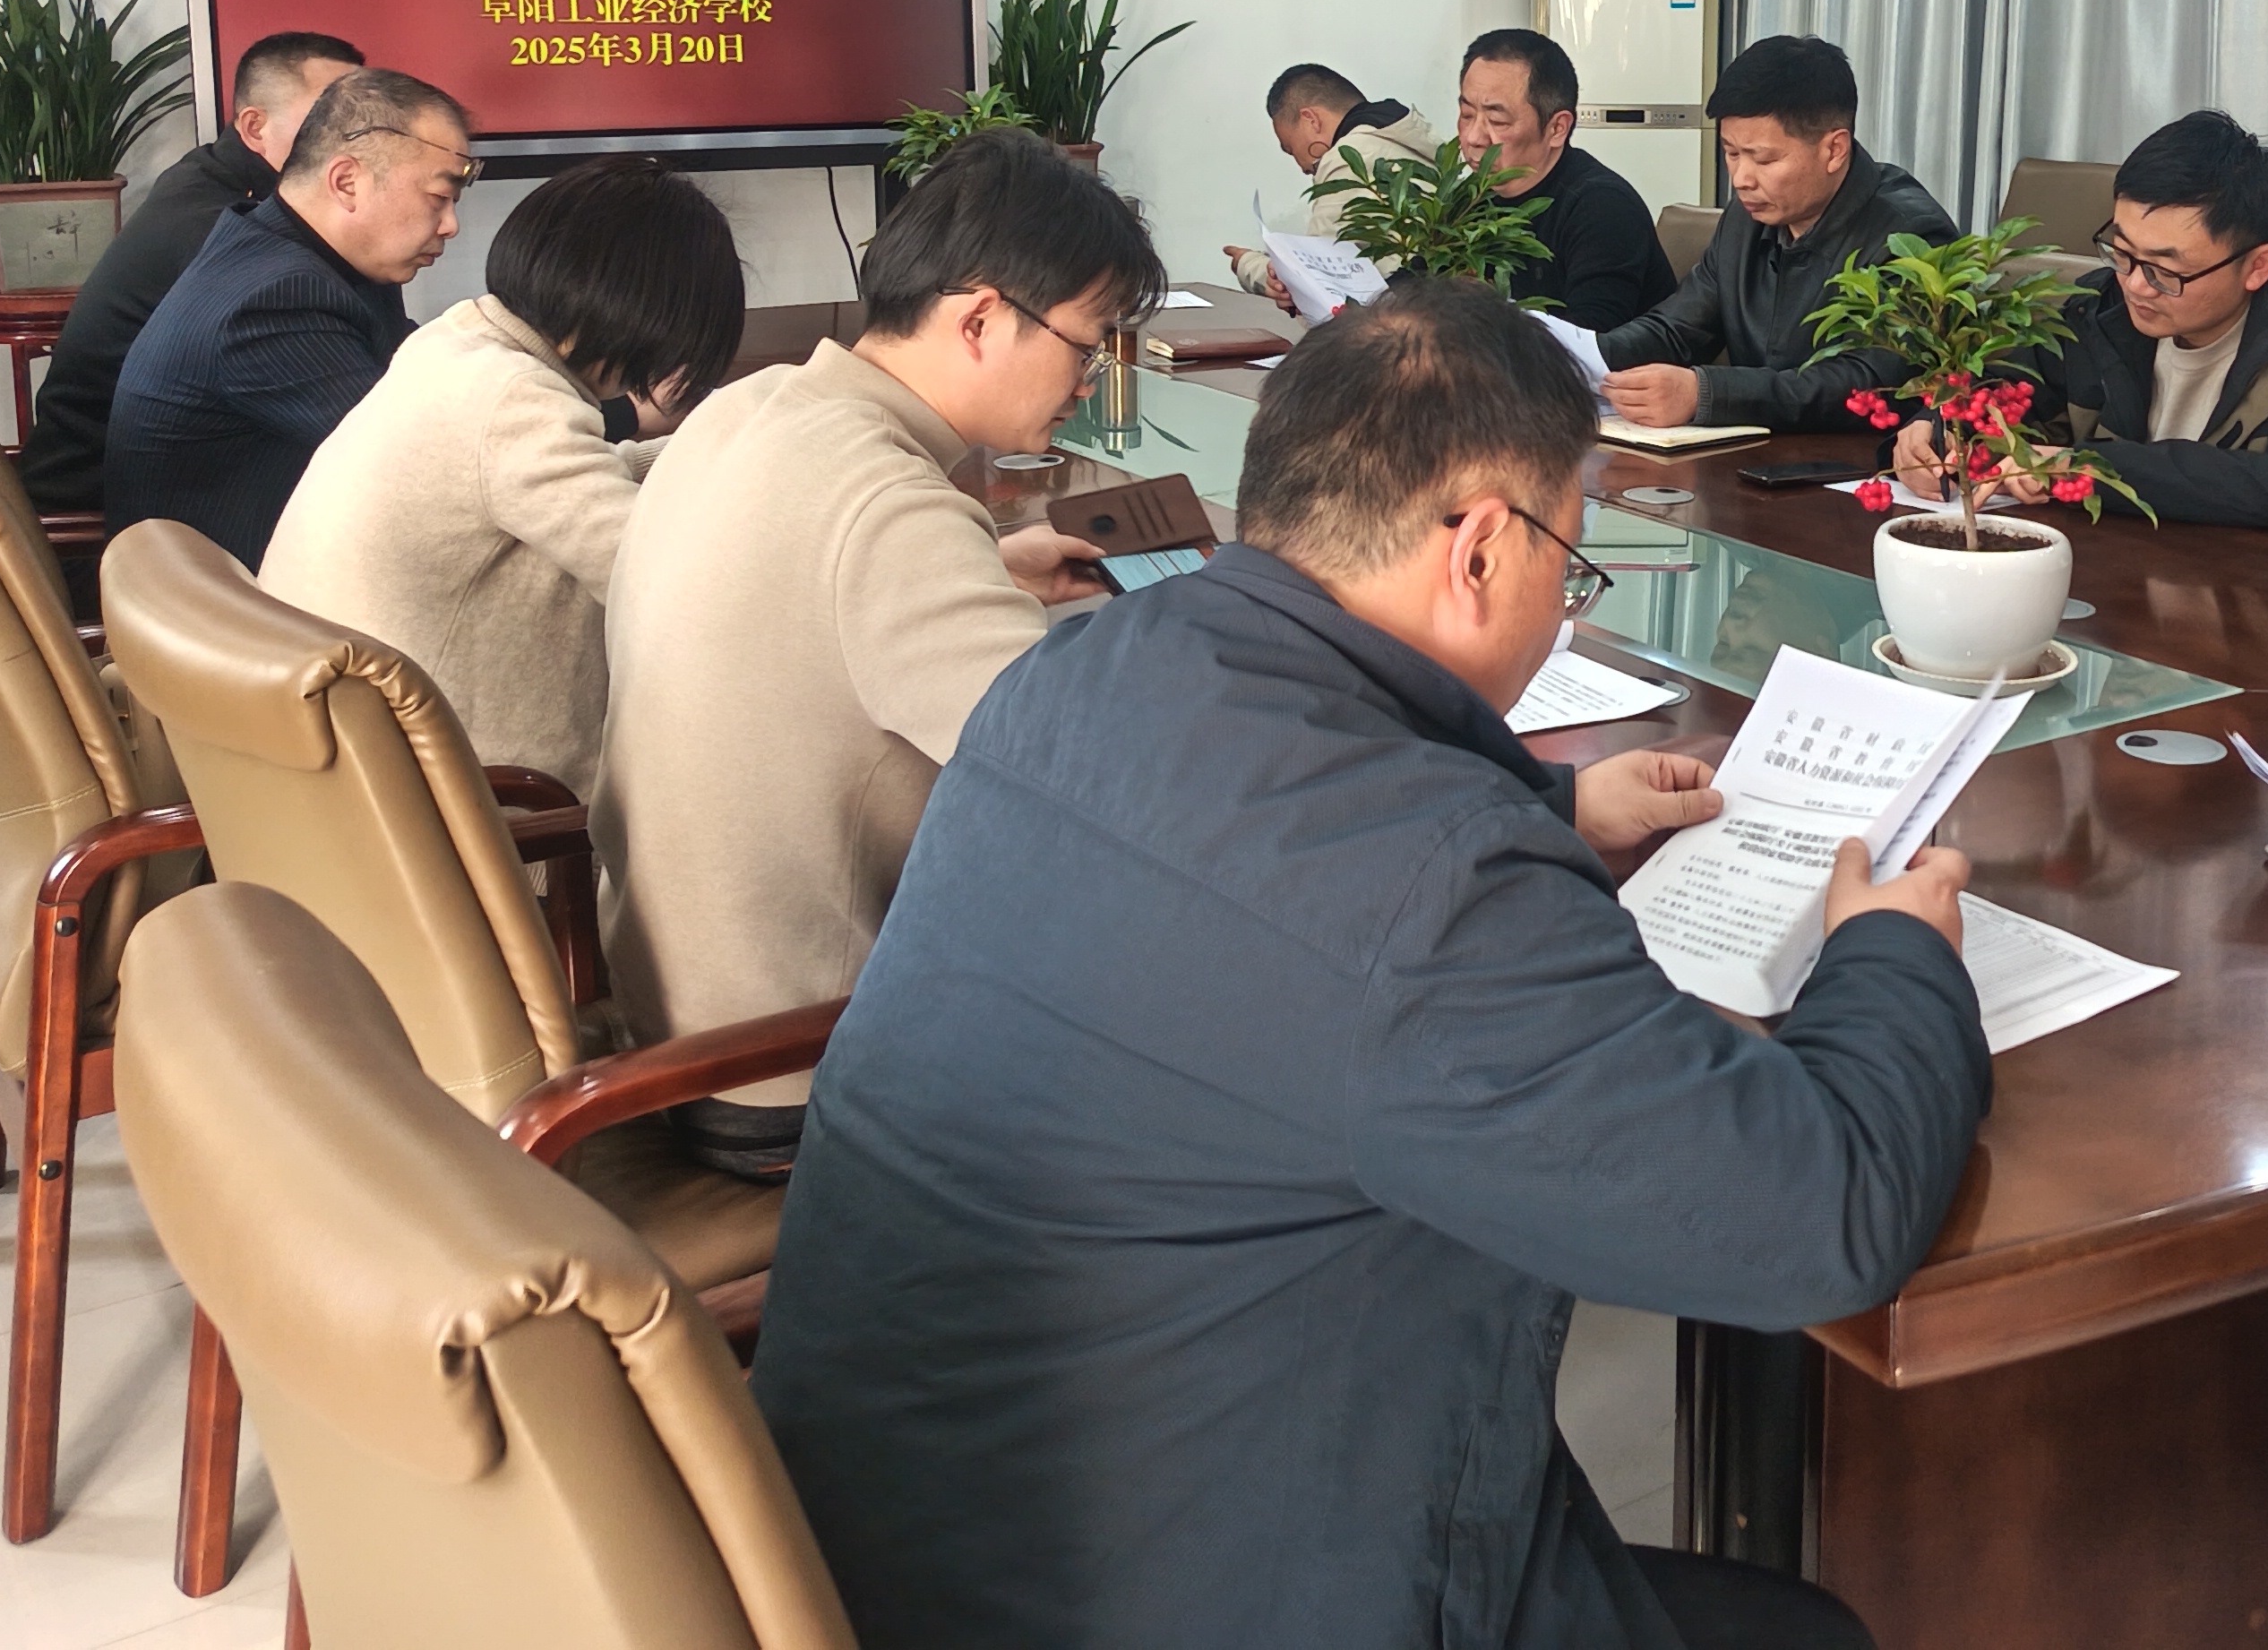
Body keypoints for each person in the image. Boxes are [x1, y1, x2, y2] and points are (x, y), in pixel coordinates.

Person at [750, 278, 1989, 1650]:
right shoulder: (1433, 887)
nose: (1563, 611)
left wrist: (1552, 806)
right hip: (1173, 1581)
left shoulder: (1082, 669)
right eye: (1569, 565)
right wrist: (1891, 954)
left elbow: (1268, 866)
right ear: (1480, 550)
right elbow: (1820, 1221)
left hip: (877, 1540)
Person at [592, 126, 1163, 1178]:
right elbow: (1098, 790)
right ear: (980, 318)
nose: (1090, 380)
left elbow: (815, 605)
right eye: (1087, 344)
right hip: (788, 1065)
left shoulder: (749, 409)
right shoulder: (892, 509)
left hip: (670, 1010)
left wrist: (986, 568)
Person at [260, 156, 743, 804]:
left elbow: (561, 479)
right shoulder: (515, 401)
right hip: (472, 808)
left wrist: (717, 447)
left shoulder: (456, 343)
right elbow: (676, 587)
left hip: (345, 771)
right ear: (653, 321)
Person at [1898, 110, 2268, 543]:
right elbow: (2004, 390)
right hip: (2135, 571)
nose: (2136, 285)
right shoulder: (2102, 305)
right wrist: (1936, 430)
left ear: (2258, 267)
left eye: (2166, 270)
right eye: (2121, 252)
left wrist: (2086, 468)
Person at [101, 68, 469, 570]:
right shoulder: (275, 300)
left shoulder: (308, 257)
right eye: (439, 198)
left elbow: (432, 381)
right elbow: (423, 464)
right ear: (347, 182)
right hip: (239, 605)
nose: (450, 225)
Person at [21, 30, 363, 512]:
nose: (357, 139)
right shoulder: (223, 224)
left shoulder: (214, 178)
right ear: (255, 127)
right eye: (328, 118)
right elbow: (354, 418)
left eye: (364, 121)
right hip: (109, 503)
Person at [1595, 35, 1956, 432]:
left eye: (1764, 159)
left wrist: (1705, 393)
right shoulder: (1746, 219)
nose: (1741, 178)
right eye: (1732, 153)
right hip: (1756, 455)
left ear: (1834, 150)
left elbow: (1869, 381)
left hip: (1854, 458)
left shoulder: (1910, 235)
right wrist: (1579, 357)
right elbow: (1675, 330)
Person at [1451, 25, 1678, 329]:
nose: (1473, 137)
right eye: (1467, 115)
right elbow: (1409, 292)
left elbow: (1588, 339)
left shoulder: (1603, 207)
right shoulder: (1468, 200)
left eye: (1497, 120)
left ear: (1557, 128)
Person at [1226, 60, 1446, 300]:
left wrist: (1250, 266)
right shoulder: (1413, 142)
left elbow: (1321, 282)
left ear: (1311, 119)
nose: (1302, 168)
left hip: (1398, 315)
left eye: (1290, 148)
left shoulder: (1349, 157)